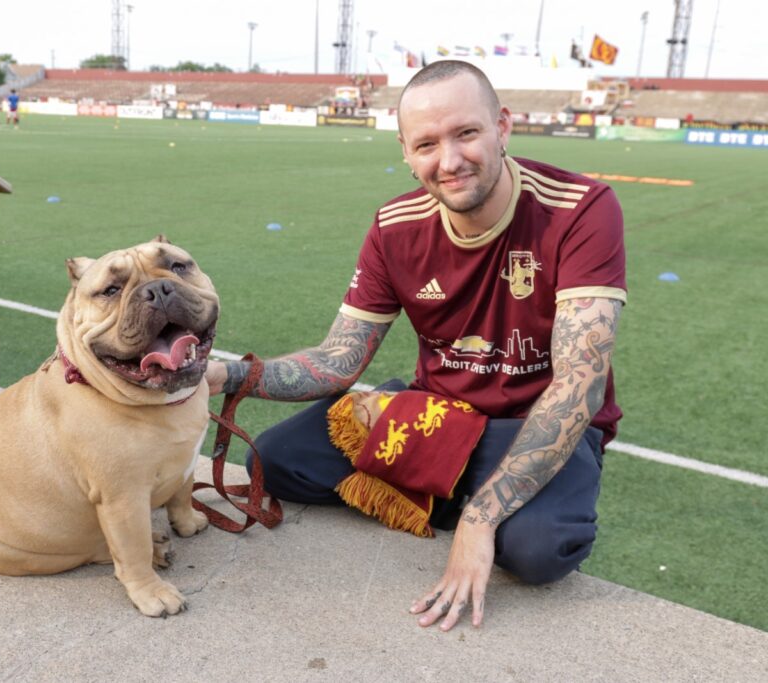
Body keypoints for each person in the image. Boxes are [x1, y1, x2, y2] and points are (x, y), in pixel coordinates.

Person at [205, 60, 626, 632]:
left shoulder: (580, 207)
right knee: (273, 461)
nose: (449, 161)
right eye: (427, 144)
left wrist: (479, 520)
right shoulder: (394, 226)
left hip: (536, 425)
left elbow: (579, 386)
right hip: (437, 416)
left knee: (538, 550)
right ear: (406, 151)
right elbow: (339, 361)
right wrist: (226, 376)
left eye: (466, 133)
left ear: (502, 127)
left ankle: (448, 487)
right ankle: (448, 476)